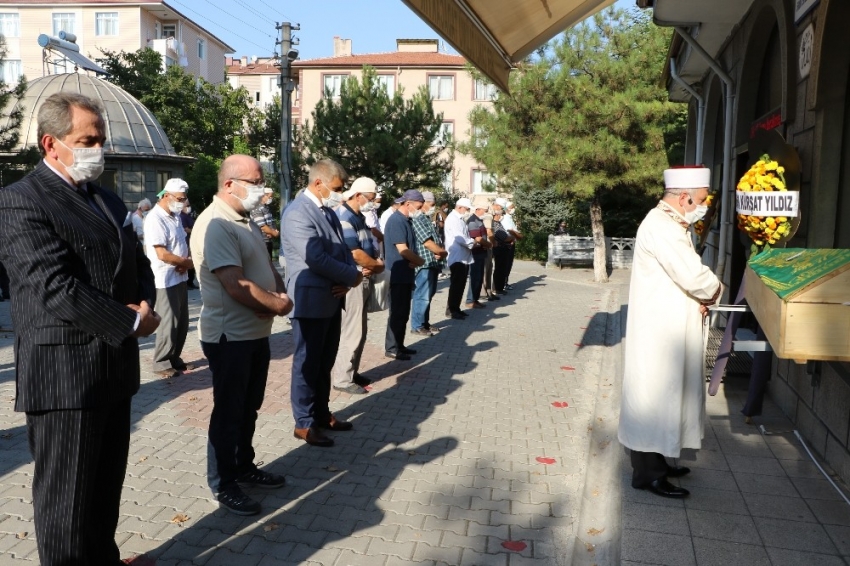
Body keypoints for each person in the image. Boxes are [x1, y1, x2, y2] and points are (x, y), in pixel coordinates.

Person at [0, 92, 160, 563]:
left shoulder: (105, 197)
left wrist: (147, 299)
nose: (98, 149)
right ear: (51, 144)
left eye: (101, 139)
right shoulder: (19, 202)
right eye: (86, 140)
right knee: (65, 507)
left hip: (113, 370)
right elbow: (53, 287)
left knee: (103, 494)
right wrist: (132, 321)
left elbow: (135, 260)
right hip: (64, 377)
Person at [192, 154, 293, 515]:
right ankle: (224, 482)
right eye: (255, 181)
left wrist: (279, 293)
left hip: (253, 333)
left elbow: (264, 268)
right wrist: (278, 305)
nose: (261, 187)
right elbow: (236, 285)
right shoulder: (217, 224)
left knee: (248, 407)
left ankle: (244, 466)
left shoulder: (244, 220)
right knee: (229, 412)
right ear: (230, 184)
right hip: (229, 337)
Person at [618, 166, 722, 499]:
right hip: (659, 330)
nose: (704, 205)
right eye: (702, 200)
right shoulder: (662, 226)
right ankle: (647, 474)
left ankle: (660, 458)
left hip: (667, 324)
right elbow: (692, 276)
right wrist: (714, 290)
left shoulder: (671, 223)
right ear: (684, 197)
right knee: (654, 396)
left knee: (667, 395)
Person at [281, 159, 362, 448]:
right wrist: (352, 276)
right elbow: (315, 257)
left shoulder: (325, 210)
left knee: (324, 363)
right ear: (319, 183)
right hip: (309, 301)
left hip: (330, 297)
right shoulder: (297, 214)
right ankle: (304, 424)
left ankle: (321, 413)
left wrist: (346, 274)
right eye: (337, 188)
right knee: (307, 365)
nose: (340, 193)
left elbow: (339, 250)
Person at [332, 177, 384, 394]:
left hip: (363, 276)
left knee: (360, 329)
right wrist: (377, 266)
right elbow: (354, 253)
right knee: (353, 330)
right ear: (357, 195)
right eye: (370, 198)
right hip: (354, 279)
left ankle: (352, 371)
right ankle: (343, 378)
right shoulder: (344, 217)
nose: (372, 202)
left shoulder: (358, 216)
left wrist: (373, 264)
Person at [145, 178, 195, 378]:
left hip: (179, 276)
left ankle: (175, 357)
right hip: (164, 278)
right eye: (179, 199)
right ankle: (161, 361)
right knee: (168, 321)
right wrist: (184, 263)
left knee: (181, 321)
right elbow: (162, 254)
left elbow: (181, 244)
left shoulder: (174, 216)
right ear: (166, 195)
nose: (182, 203)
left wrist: (185, 262)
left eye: (184, 199)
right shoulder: (155, 218)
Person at [383, 189, 426, 359]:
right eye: (419, 206)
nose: (421, 210)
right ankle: (392, 347)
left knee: (403, 312)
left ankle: (399, 344)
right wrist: (421, 261)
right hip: (397, 274)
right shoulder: (396, 221)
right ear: (408, 204)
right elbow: (403, 249)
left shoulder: (406, 220)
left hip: (405, 273)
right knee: (397, 312)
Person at [410, 191, 447, 336]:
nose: (433, 207)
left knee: (428, 295)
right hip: (424, 264)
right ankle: (417, 325)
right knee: (422, 295)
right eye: (431, 204)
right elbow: (427, 241)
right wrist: (441, 252)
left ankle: (424, 323)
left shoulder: (425, 218)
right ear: (422, 202)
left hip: (432, 262)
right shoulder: (417, 219)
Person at [444, 197, 483, 319]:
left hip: (463, 256)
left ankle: (455, 308)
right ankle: (452, 309)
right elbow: (460, 238)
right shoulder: (453, 219)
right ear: (459, 207)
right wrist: (473, 243)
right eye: (466, 208)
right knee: (456, 285)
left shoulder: (459, 219)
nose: (467, 211)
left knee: (460, 285)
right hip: (457, 257)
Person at [465, 204, 492, 309]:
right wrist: (488, 244)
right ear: (478, 209)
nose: (485, 212)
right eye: (484, 210)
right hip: (475, 253)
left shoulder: (479, 220)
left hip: (481, 252)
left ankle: (475, 299)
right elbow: (477, 238)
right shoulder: (472, 221)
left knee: (479, 277)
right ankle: (470, 300)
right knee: (475, 277)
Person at [490, 201, 515, 295]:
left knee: (502, 269)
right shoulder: (495, 224)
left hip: (504, 248)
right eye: (501, 212)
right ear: (496, 215)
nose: (502, 215)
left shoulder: (499, 223)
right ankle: (497, 288)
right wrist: (512, 237)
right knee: (499, 269)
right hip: (500, 249)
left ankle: (499, 287)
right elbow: (504, 237)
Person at [497, 198, 522, 290]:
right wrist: (518, 235)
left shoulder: (509, 218)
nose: (513, 209)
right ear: (507, 208)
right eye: (511, 207)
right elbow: (509, 230)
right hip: (507, 242)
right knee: (505, 264)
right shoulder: (504, 218)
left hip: (511, 241)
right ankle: (502, 283)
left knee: (509, 263)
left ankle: (505, 282)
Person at [251, 188, 280, 260]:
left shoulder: (266, 208)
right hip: (261, 242)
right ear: (263, 196)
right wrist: (274, 233)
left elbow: (270, 222)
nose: (271, 199)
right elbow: (262, 226)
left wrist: (272, 231)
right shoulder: (256, 208)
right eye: (270, 197)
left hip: (268, 240)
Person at [180, 200, 197, 288]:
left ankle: (191, 282)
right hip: (186, 241)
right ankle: (188, 283)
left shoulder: (187, 216)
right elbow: (186, 229)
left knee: (192, 262)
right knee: (189, 261)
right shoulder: (182, 216)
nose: (188, 207)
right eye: (187, 205)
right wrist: (196, 231)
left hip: (191, 240)